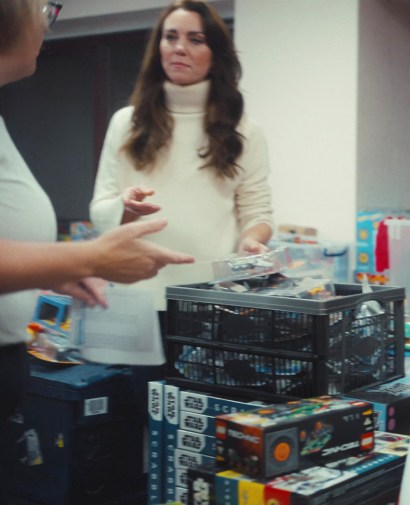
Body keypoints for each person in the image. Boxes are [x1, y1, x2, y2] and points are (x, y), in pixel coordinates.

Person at [0, 0, 195, 500]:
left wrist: (49, 273)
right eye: (43, 6)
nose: (48, 15)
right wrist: (84, 257)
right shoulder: (127, 121)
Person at [89, 0, 274, 309]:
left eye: (195, 39)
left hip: (211, 298)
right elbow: (99, 210)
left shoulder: (245, 131)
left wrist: (251, 240)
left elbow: (258, 213)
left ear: (215, 56)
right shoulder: (126, 123)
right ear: (158, 47)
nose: (179, 48)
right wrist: (123, 208)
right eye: (170, 36)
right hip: (136, 298)